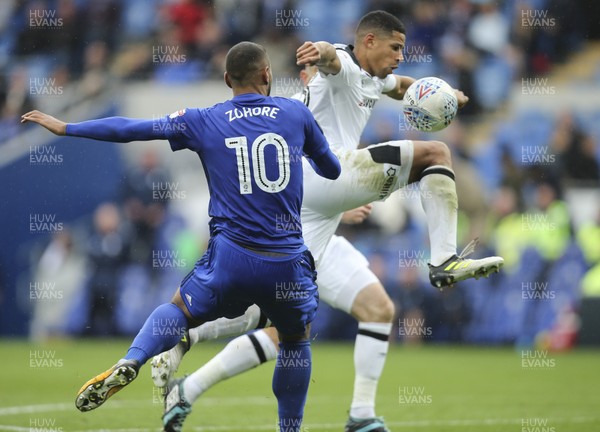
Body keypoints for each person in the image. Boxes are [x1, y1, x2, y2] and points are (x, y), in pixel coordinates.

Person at [153, 10, 504, 432]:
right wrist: (317, 52)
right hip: (320, 179)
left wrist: (448, 94)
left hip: (317, 207)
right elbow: (331, 58)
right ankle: (443, 258)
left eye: (403, 50)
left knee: (356, 311)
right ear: (368, 42)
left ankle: (355, 414)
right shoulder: (346, 62)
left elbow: (403, 88)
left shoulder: (373, 77)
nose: (399, 57)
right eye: (395, 48)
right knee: (435, 155)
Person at [21, 41, 341, 432]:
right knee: (294, 339)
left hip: (231, 259)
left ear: (226, 80)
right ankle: (289, 429)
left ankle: (133, 360)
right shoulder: (295, 112)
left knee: (179, 309)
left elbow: (132, 130)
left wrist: (67, 127)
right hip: (286, 262)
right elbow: (332, 170)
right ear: (267, 74)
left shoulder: (202, 119)